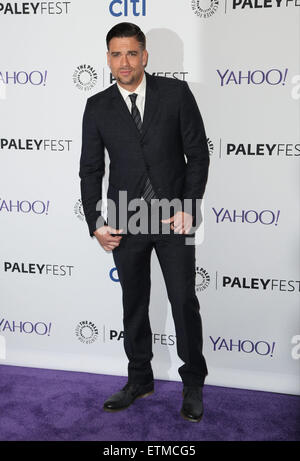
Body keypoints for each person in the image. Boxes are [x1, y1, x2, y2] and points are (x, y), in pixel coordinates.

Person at [79, 22, 210, 423]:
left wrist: (189, 205)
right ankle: (140, 379)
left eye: (132, 53)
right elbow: (90, 170)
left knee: (183, 301)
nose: (124, 62)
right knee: (133, 303)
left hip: (173, 216)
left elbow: (197, 155)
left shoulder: (175, 94)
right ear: (107, 58)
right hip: (125, 219)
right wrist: (95, 222)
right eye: (116, 54)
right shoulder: (98, 106)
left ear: (145, 56)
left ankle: (192, 384)